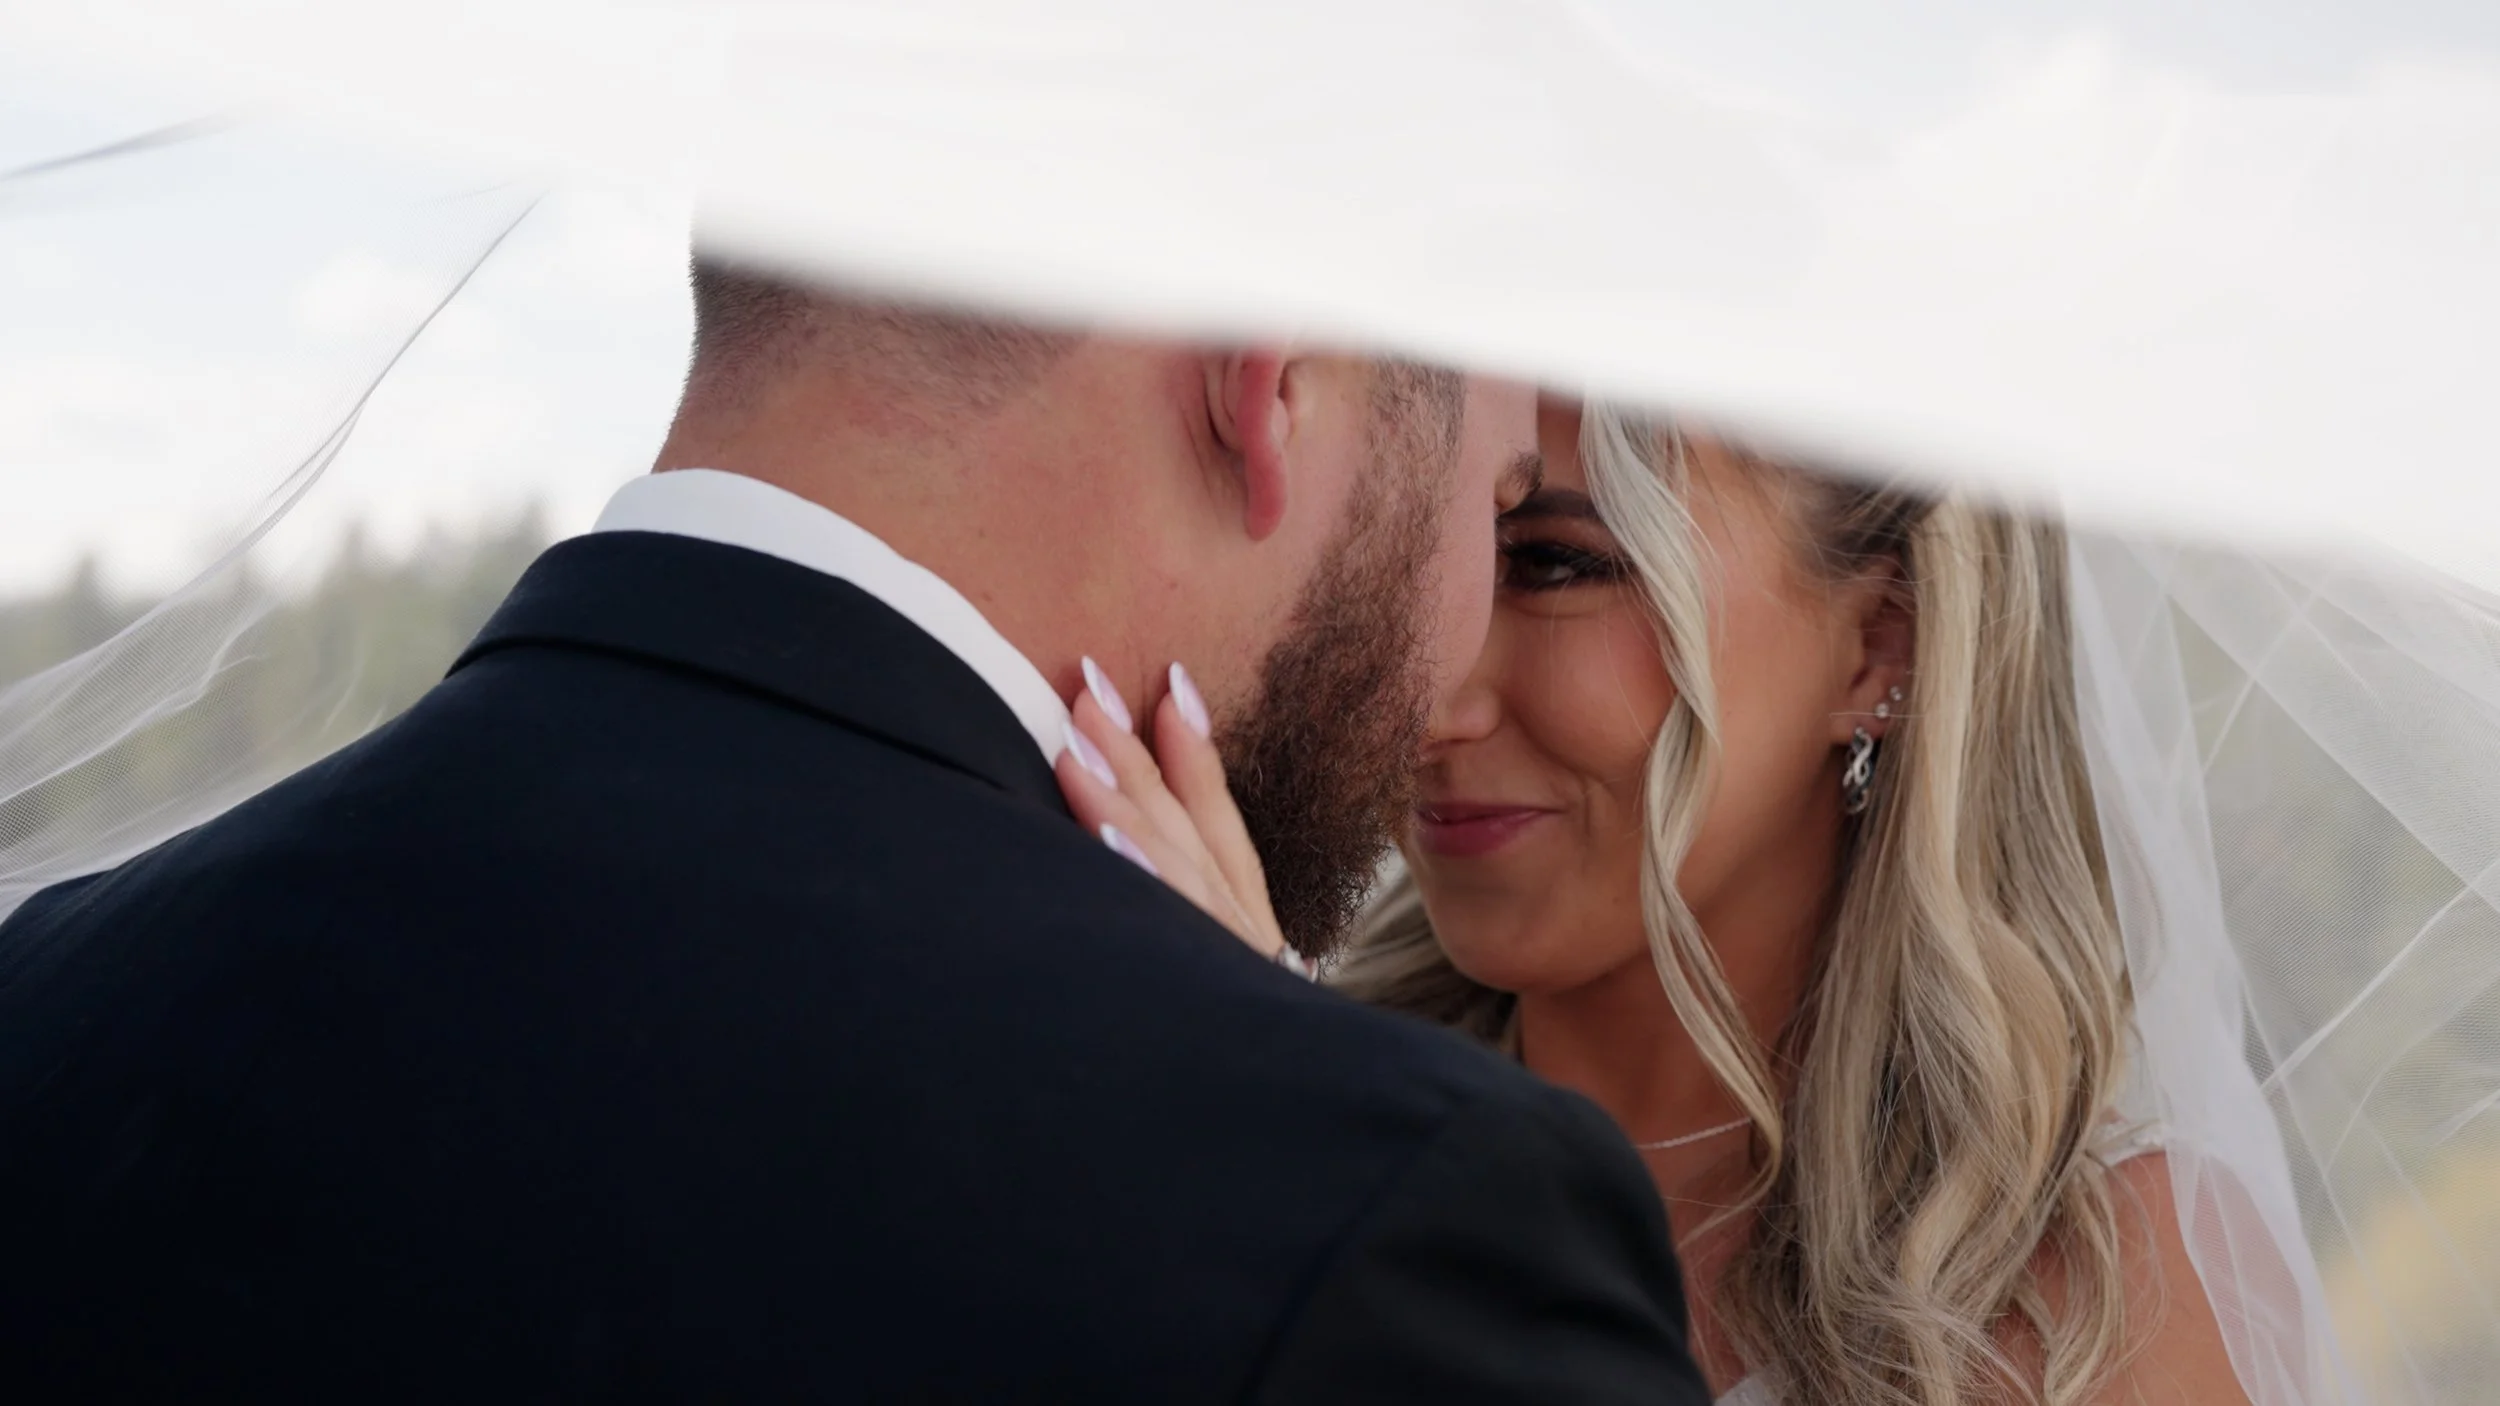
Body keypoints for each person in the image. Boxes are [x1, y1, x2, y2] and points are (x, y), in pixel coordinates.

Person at [0, 267, 1711, 1403]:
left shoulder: (49, 1001)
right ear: (1270, 387)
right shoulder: (1389, 1217)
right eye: (1495, 514)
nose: (1455, 665)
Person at [1066, 397, 2262, 1405]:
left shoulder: (2095, 1295)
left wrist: (1311, 1154)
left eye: (1551, 564)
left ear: (1876, 649)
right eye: (1406, 567)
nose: (1427, 704)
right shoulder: (1231, 1078)